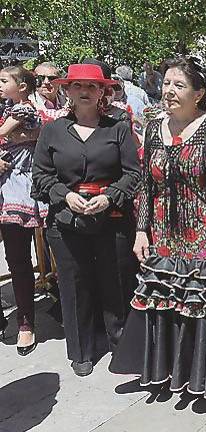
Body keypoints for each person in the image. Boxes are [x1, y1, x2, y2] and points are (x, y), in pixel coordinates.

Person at [109, 56, 206, 399]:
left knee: (204, 304)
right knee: (167, 301)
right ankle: (171, 372)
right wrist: (141, 230)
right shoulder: (154, 127)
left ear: (198, 93)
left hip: (205, 234)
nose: (168, 91)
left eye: (178, 85)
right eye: (166, 83)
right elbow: (147, 187)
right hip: (164, 237)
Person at [32, 64, 140, 376]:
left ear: (103, 91)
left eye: (92, 86)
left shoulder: (117, 127)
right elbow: (40, 175)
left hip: (112, 218)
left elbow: (133, 173)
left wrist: (110, 196)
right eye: (77, 85)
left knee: (115, 282)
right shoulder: (52, 131)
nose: (84, 91)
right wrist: (64, 195)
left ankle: (121, 344)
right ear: (66, 90)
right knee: (73, 284)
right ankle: (81, 350)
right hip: (65, 221)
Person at [0, 66, 48, 355]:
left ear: (23, 87)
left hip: (17, 192)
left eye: (4, 81)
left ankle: (25, 323)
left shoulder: (23, 110)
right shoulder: (8, 107)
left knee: (17, 259)